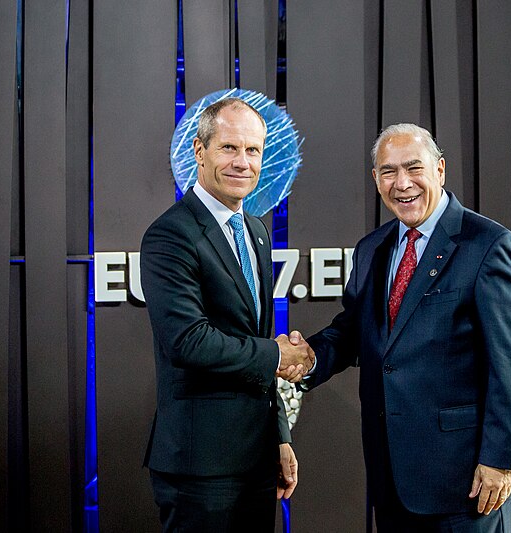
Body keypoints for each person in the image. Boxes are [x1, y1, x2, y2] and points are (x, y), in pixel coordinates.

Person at [299, 123, 511, 532]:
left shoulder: (488, 245)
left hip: (465, 483)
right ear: (376, 179)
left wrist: (500, 459)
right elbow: (356, 331)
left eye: (414, 168)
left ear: (440, 170)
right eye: (388, 171)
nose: (402, 183)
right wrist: (309, 358)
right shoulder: (372, 248)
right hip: (391, 476)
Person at [140, 97, 314, 533]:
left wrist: (279, 436)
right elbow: (189, 341)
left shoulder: (255, 230)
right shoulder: (170, 235)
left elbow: (251, 338)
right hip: (201, 467)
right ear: (200, 153)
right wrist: (276, 356)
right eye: (229, 148)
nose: (243, 162)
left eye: (252, 150)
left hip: (255, 460)